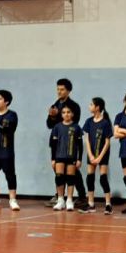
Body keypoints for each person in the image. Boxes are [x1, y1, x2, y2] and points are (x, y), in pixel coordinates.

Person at [46, 78, 86, 207]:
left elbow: (73, 123)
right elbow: (49, 125)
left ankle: (81, 196)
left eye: (62, 89)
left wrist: (58, 116)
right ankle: (60, 197)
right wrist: (52, 116)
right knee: (59, 171)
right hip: (57, 141)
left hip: (70, 141)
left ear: (68, 91)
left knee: (73, 171)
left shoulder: (74, 106)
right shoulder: (55, 105)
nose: (59, 92)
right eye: (58, 89)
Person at [50, 104, 84, 211]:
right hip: (59, 156)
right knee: (59, 177)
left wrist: (79, 159)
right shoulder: (57, 127)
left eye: (68, 112)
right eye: (64, 112)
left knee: (70, 179)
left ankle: (69, 200)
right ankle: (60, 200)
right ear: (61, 114)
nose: (66, 114)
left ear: (72, 114)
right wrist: (53, 159)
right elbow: (53, 145)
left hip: (71, 157)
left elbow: (80, 145)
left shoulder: (76, 127)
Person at [83, 97, 113, 213]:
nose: (89, 106)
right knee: (90, 178)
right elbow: (87, 140)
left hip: (102, 154)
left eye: (91, 104)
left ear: (97, 107)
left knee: (103, 178)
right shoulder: (89, 121)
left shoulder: (105, 123)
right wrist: (90, 155)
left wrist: (100, 157)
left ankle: (108, 204)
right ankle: (91, 203)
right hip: (91, 154)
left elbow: (107, 142)